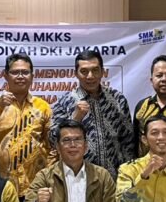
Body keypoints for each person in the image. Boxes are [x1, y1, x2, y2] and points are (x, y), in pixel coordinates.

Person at [51, 50, 134, 179]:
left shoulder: (118, 99)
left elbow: (128, 141)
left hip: (114, 179)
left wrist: (128, 176)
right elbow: (53, 140)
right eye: (84, 71)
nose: (90, 76)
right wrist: (75, 119)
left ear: (102, 72)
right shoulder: (64, 102)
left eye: (95, 70)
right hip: (77, 179)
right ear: (76, 74)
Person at [0, 53, 52, 195]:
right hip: (0, 185)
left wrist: (47, 177)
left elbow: (51, 147)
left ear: (32, 76)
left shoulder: (43, 107)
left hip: (34, 185)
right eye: (15, 72)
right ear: (5, 75)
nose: (20, 76)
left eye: (25, 72)